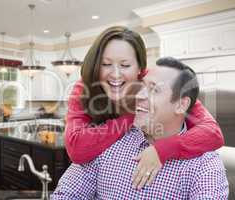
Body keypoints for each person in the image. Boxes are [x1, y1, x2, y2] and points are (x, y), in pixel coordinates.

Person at [64, 26, 224, 188]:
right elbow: (76, 149)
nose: (115, 74)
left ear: (140, 69)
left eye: (125, 65)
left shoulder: (151, 81)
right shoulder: (83, 89)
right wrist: (135, 114)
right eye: (106, 64)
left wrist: (162, 149)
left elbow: (213, 132)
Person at [51, 57, 229, 199]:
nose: (140, 94)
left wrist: (162, 149)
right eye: (142, 86)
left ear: (181, 105)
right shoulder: (111, 139)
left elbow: (213, 132)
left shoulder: (205, 165)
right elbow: (66, 194)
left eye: (154, 89)